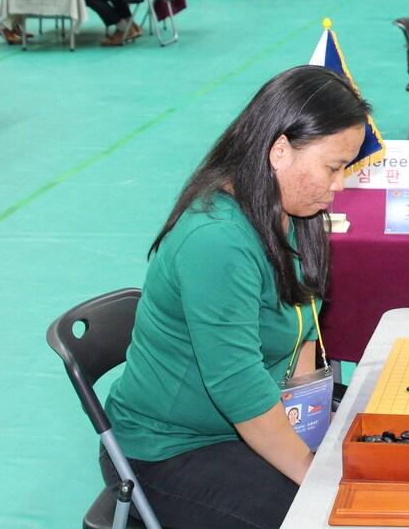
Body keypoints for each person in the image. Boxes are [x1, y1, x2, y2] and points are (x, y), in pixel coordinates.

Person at [103, 65, 372, 529]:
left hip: (242, 428)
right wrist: (314, 476)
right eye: (333, 167)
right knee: (332, 515)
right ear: (280, 151)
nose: (341, 184)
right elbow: (238, 387)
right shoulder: (217, 240)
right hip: (170, 450)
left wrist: (312, 433)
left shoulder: (295, 213)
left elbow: (304, 332)